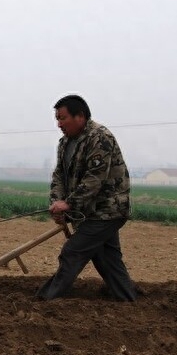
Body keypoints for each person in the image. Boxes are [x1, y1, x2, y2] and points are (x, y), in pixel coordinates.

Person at [36, 95, 137, 301]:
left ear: (80, 116)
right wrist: (56, 202)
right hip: (87, 212)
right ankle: (127, 299)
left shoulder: (100, 137)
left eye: (63, 118)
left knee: (72, 252)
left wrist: (69, 204)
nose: (59, 124)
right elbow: (59, 176)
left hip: (108, 210)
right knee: (107, 259)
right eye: (57, 118)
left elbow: (95, 179)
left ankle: (46, 299)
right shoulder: (65, 143)